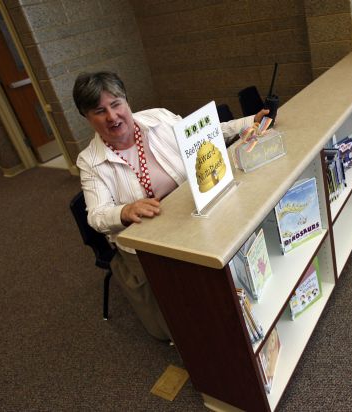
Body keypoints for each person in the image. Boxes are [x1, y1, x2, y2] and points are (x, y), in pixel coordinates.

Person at [73, 71, 270, 341]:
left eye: (116, 104)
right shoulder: (89, 161)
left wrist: (249, 122)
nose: (112, 116)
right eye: (99, 111)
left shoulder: (160, 118)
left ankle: (241, 308)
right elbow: (96, 216)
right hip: (147, 239)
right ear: (87, 117)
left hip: (192, 211)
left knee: (229, 252)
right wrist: (124, 211)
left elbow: (207, 135)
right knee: (183, 302)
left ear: (126, 101)